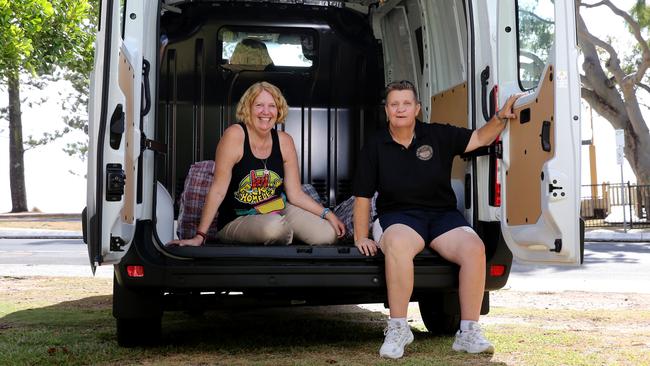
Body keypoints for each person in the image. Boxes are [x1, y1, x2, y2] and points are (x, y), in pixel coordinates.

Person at [352, 80, 520, 359]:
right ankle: (398, 327)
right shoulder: (375, 145)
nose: (400, 109)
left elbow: (479, 138)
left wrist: (500, 117)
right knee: (397, 244)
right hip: (399, 217)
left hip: (442, 216)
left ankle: (468, 332)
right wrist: (361, 236)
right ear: (386, 110)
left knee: (474, 247)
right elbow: (362, 196)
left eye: (406, 103)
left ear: (417, 108)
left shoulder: (438, 135)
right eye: (394, 104)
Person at [171, 81, 345, 246]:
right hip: (237, 219)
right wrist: (200, 236)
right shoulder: (234, 136)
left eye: (272, 106)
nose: (266, 112)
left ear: (278, 110)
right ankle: (285, 232)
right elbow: (217, 190)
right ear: (248, 108)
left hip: (278, 210)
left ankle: (287, 232)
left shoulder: (285, 141)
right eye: (259, 105)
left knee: (327, 234)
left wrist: (327, 214)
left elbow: (295, 194)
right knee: (274, 228)